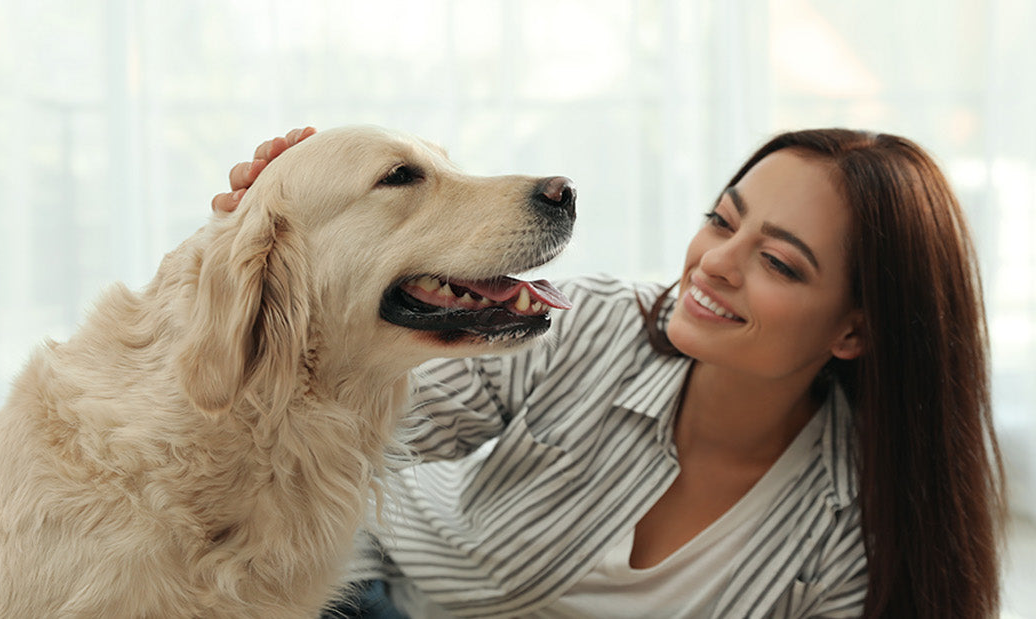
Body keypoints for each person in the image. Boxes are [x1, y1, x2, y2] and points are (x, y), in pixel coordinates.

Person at [212, 127, 1006, 618]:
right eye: (721, 221)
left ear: (854, 329)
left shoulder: (847, 535)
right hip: (362, 594)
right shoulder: (581, 323)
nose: (715, 265)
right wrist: (287, 247)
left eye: (776, 261)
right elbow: (329, 425)